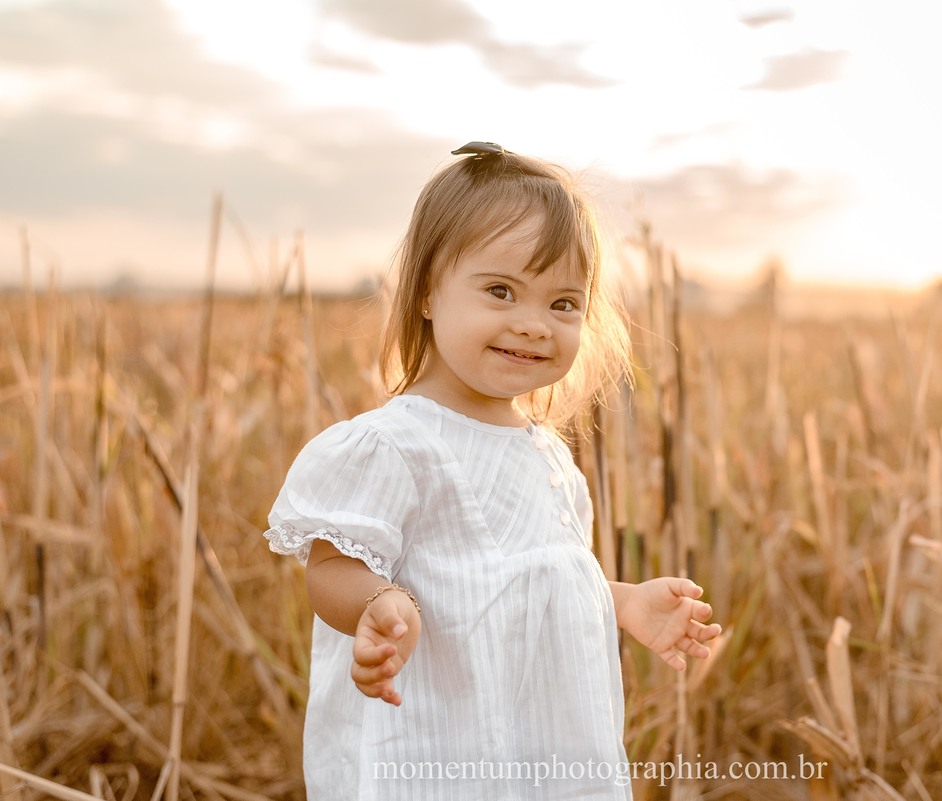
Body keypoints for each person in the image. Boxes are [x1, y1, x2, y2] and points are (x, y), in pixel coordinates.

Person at [264, 141, 721, 800]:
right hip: (436, 752)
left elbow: (525, 580)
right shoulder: (395, 445)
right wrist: (376, 602)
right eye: (501, 291)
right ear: (426, 292)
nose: (534, 325)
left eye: (563, 303)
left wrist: (621, 601)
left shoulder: (549, 456)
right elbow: (332, 565)